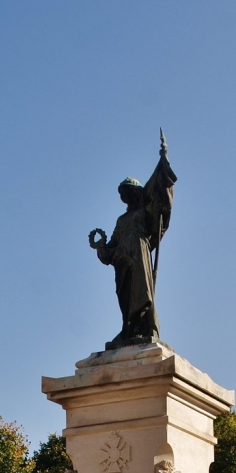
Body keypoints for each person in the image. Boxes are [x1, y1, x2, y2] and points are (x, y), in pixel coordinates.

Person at [89, 138, 177, 349]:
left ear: (136, 194)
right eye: (124, 194)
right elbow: (109, 252)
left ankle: (142, 328)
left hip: (139, 254)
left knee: (141, 291)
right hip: (122, 261)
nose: (127, 197)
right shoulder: (121, 220)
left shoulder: (144, 213)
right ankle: (128, 329)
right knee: (125, 296)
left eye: (130, 193)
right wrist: (101, 246)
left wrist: (163, 161)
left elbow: (161, 201)